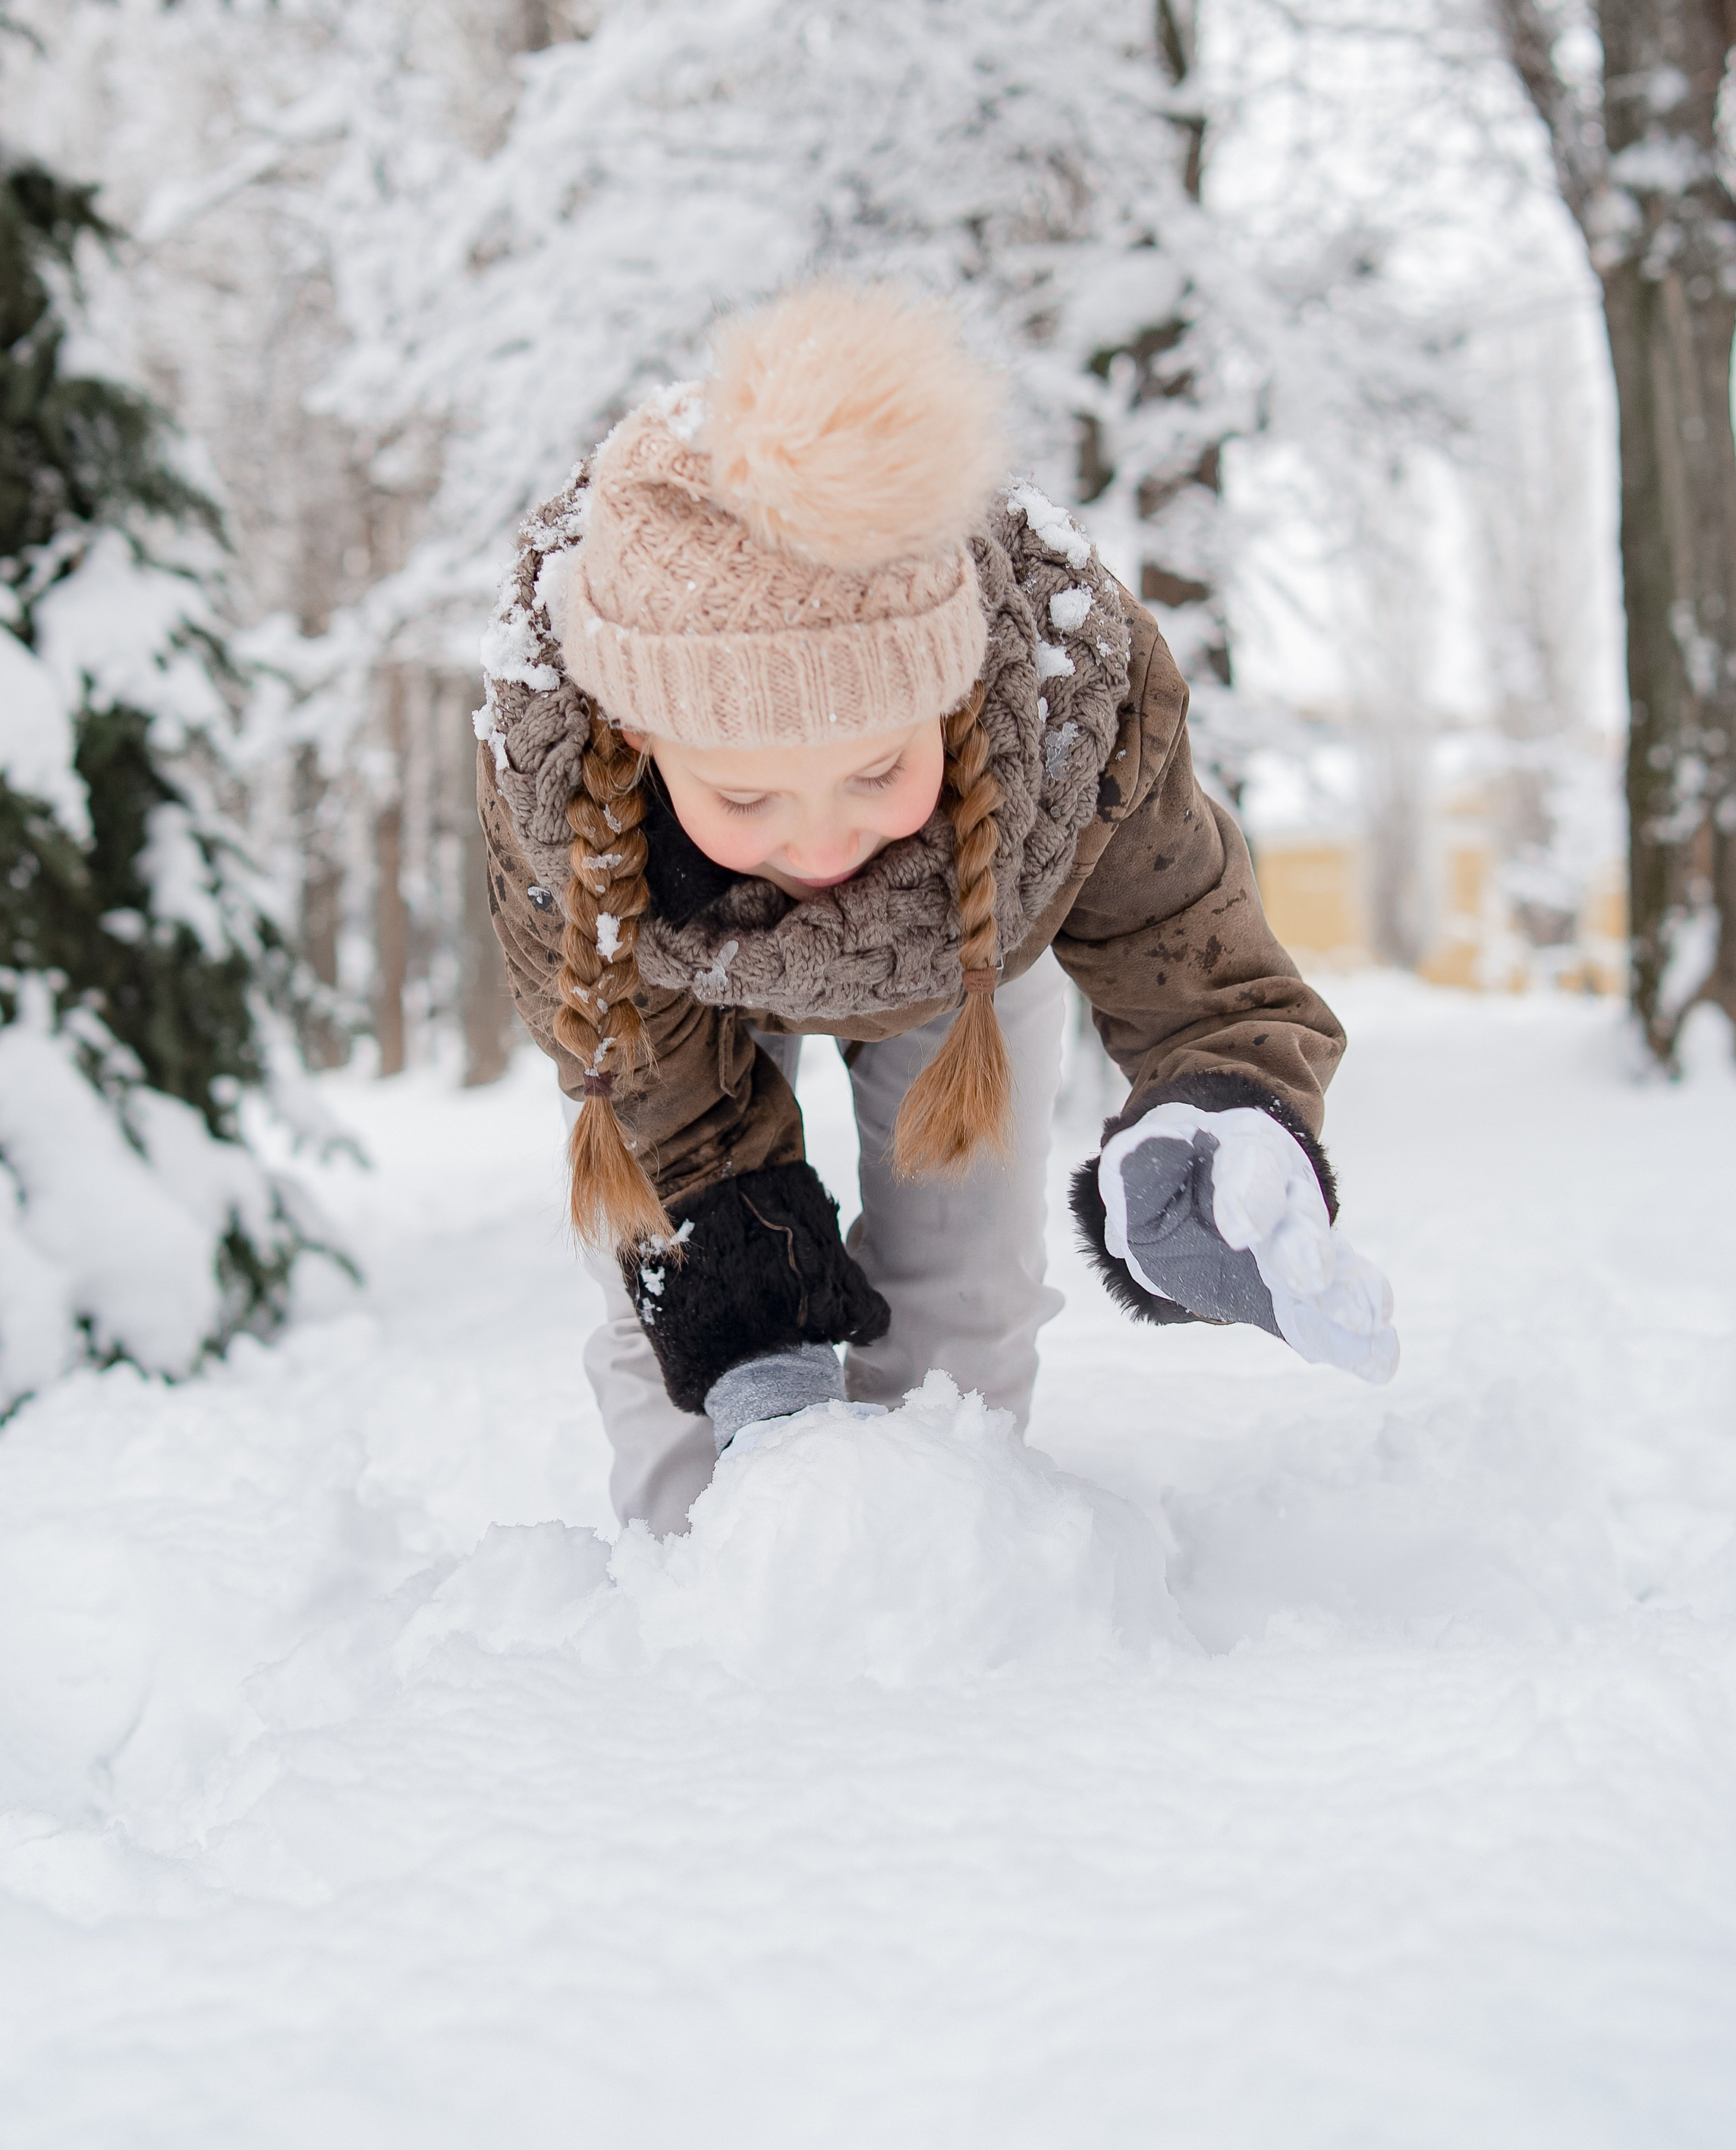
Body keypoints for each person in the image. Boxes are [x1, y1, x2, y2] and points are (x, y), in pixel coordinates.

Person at [477, 282, 1396, 1537]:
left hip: (968, 941)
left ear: (955, 696)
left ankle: (946, 1568)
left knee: (969, 1283)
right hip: (679, 984)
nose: (821, 840)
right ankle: (694, 1587)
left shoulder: (1070, 714)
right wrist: (762, 1355)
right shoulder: (565, 785)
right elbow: (665, 1112)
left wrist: (1224, 1121)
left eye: (874, 771)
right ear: (643, 743)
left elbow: (1192, 957)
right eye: (749, 792)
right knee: (675, 1326)